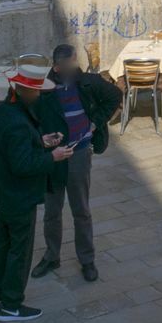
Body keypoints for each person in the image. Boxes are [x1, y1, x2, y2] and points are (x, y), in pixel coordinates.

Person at [0, 63, 73, 323]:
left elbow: (9, 148)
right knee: (19, 250)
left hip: (5, 192)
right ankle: (11, 305)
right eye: (37, 92)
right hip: (19, 195)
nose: (40, 96)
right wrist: (52, 156)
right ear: (25, 92)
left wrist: (40, 142)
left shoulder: (1, 111)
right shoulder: (19, 122)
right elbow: (23, 165)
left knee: (1, 243)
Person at [32, 44, 122, 284]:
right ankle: (52, 256)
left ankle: (87, 259)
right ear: (57, 67)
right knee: (52, 210)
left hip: (79, 153)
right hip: (54, 157)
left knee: (81, 209)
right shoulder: (44, 89)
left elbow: (114, 95)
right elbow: (33, 118)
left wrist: (96, 122)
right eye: (69, 65)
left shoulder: (87, 82)